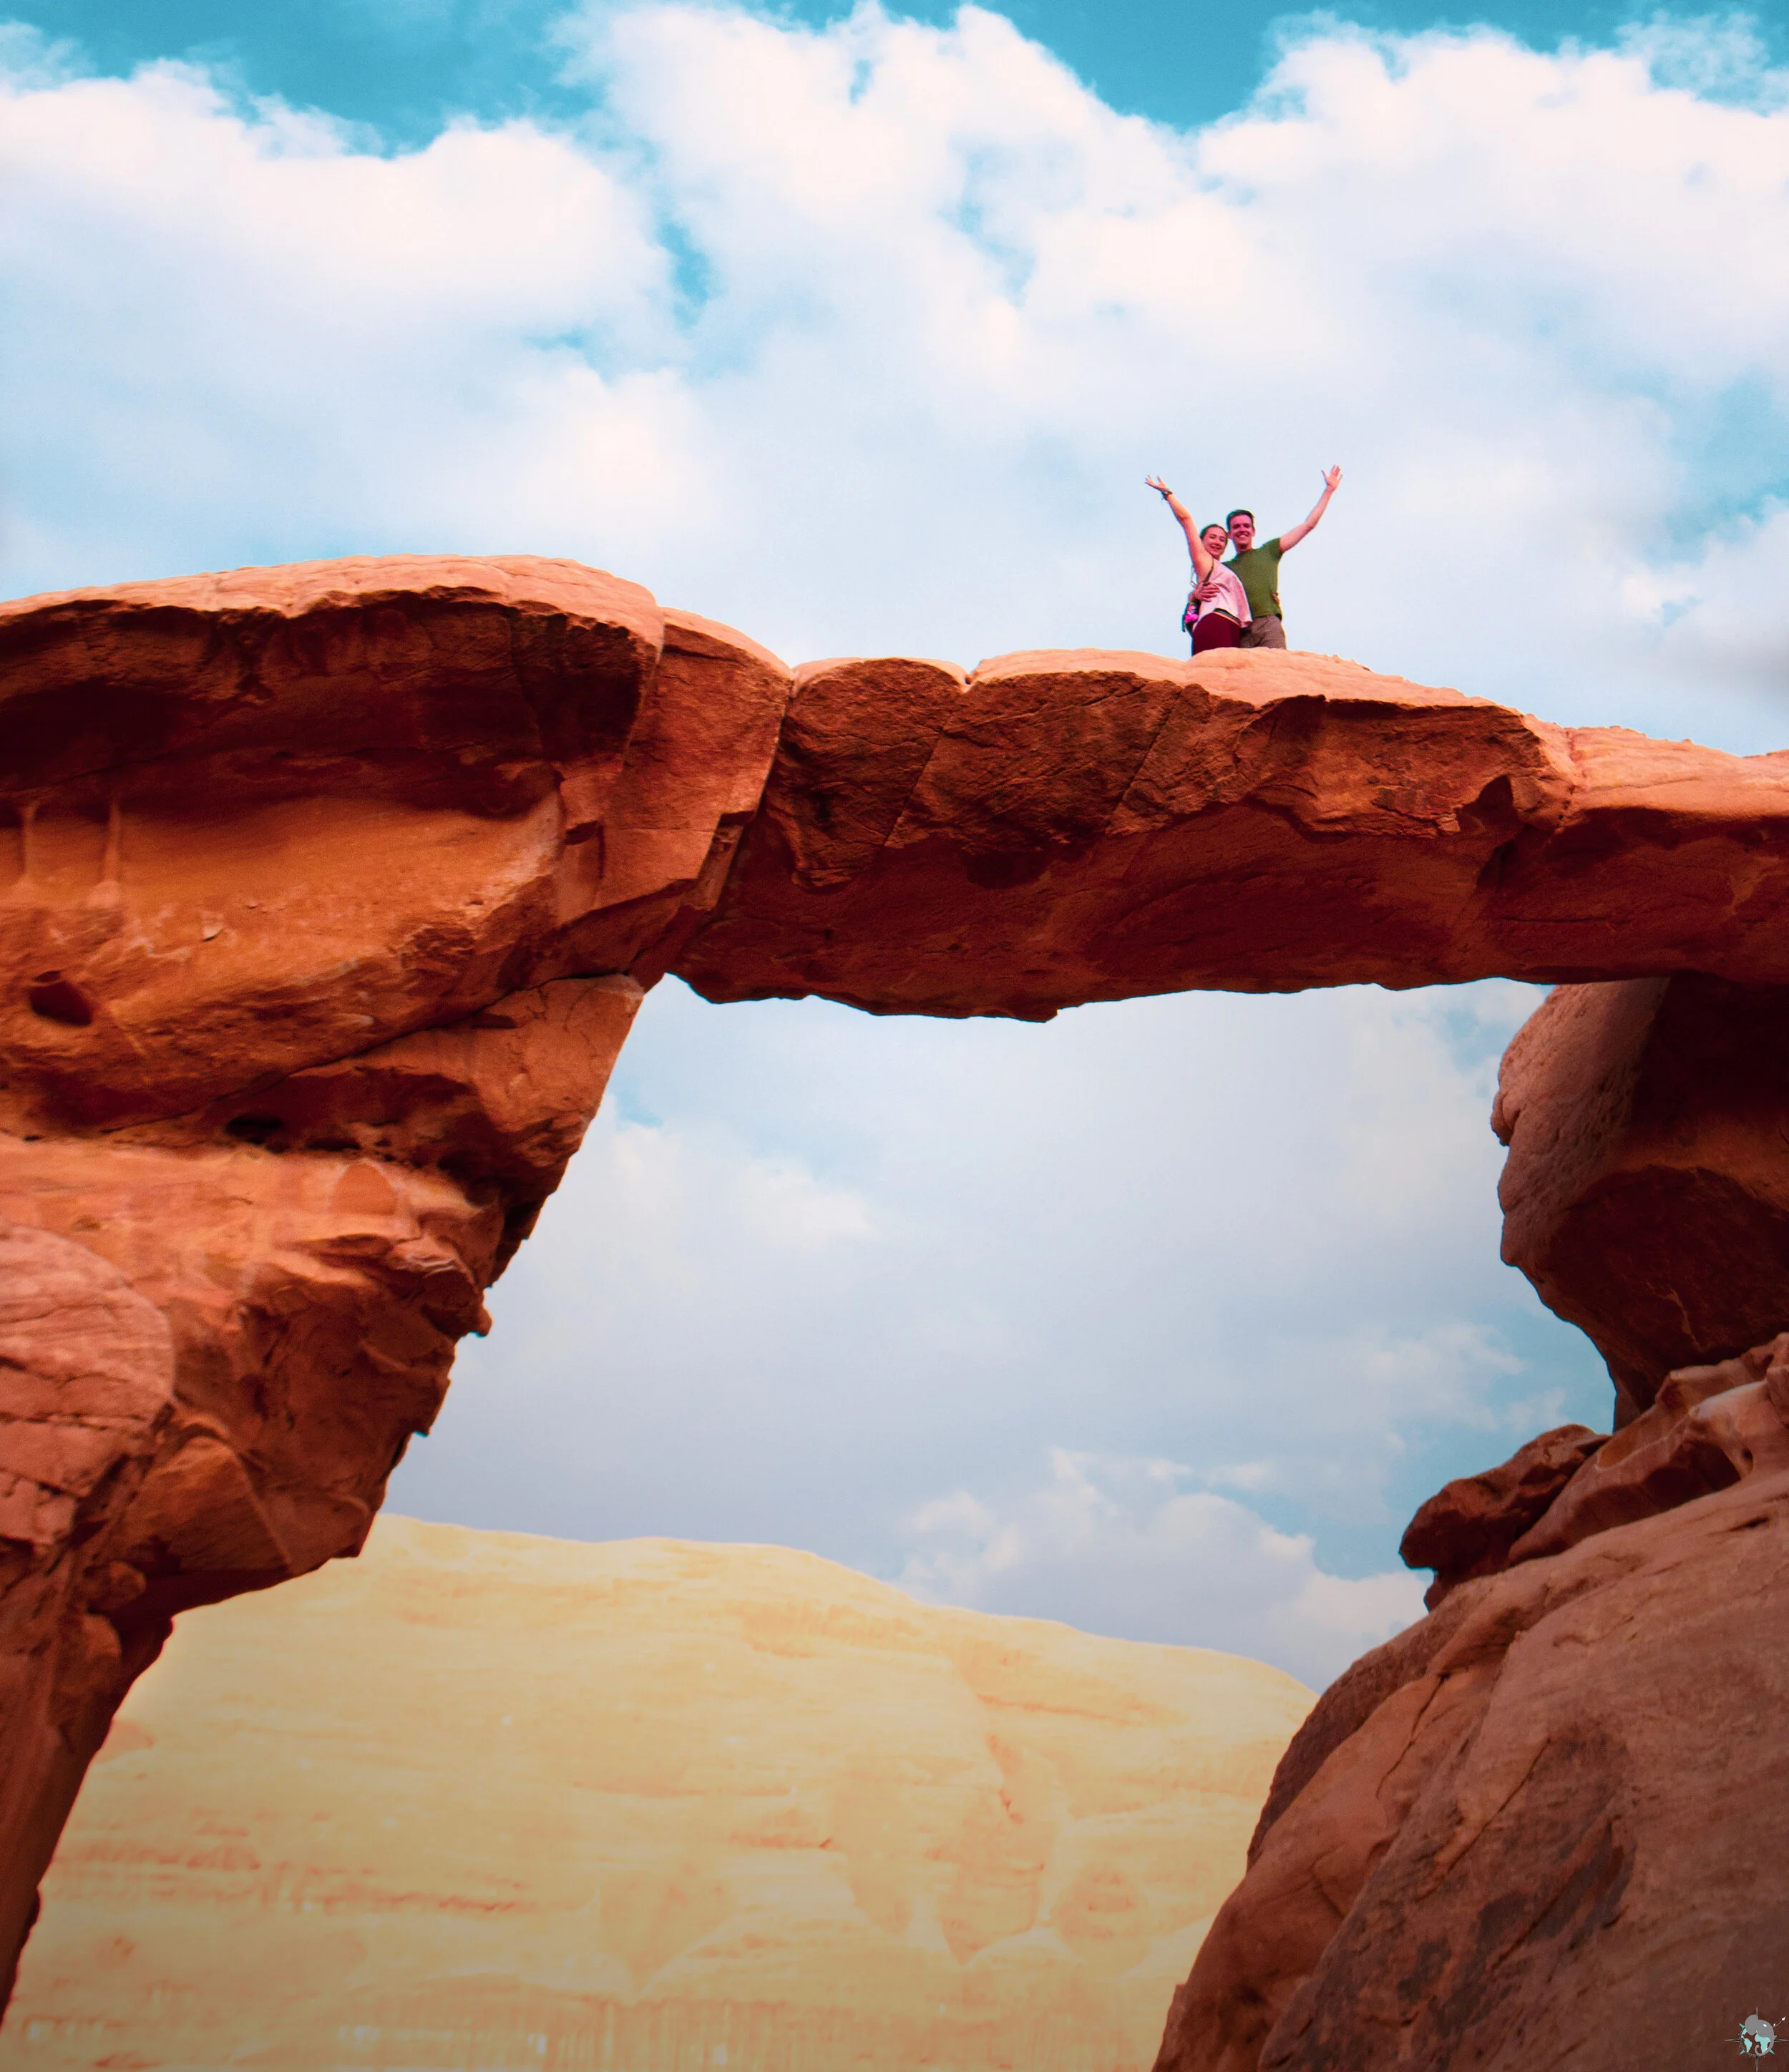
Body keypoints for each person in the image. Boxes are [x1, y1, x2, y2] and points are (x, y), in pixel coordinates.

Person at [1204, 468, 1342, 650]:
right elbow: (1204, 593)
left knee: (1279, 673)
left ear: (1254, 531)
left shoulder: (1268, 551)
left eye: (1247, 526)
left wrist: (1329, 491)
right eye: (1236, 527)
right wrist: (1194, 595)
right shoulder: (1224, 568)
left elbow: (1308, 525)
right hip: (1240, 630)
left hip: (1268, 624)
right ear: (1230, 534)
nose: (1242, 530)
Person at [1144, 478, 1252, 653]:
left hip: (1232, 628)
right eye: (1212, 537)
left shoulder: (1221, 568)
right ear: (1201, 541)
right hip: (1217, 622)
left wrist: (1193, 596)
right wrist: (1167, 493)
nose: (1217, 542)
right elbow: (1186, 520)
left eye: (1222, 539)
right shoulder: (1203, 561)